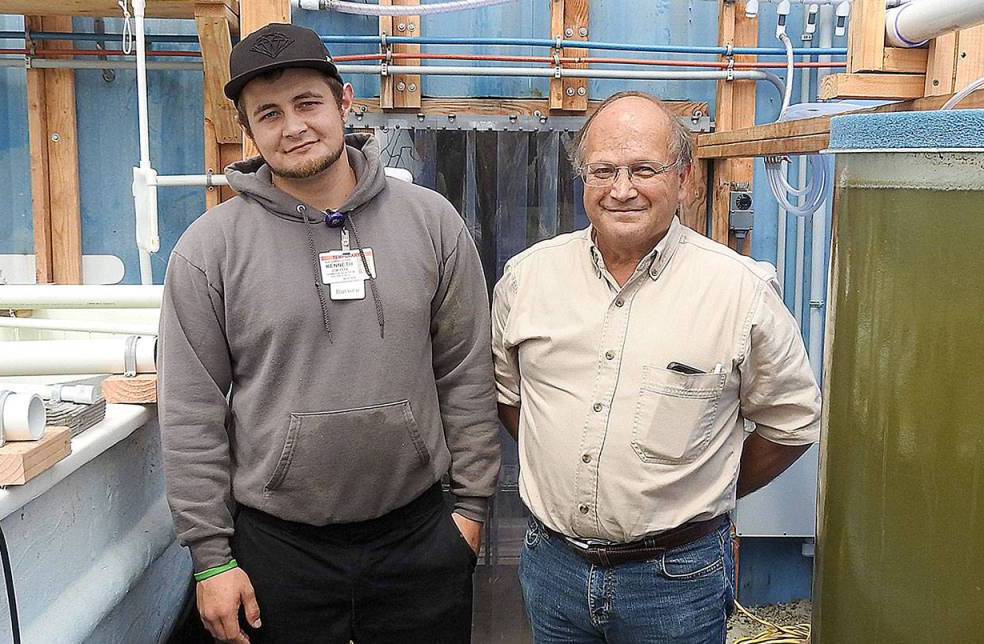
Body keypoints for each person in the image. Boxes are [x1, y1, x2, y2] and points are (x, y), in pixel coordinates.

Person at [158, 23, 500, 644]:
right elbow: (189, 413)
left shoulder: (431, 224)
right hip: (276, 547)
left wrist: (471, 510)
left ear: (344, 103)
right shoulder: (209, 250)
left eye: (308, 103)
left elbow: (465, 372)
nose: (292, 127)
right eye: (269, 114)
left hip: (419, 539)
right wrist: (211, 556)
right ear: (250, 130)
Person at [491, 91, 822, 643]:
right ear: (584, 179)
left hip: (676, 580)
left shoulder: (739, 291)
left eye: (643, 169)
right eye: (604, 170)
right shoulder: (528, 279)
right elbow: (509, 399)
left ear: (685, 178)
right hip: (553, 569)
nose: (622, 189)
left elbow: (791, 424)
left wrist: (702, 488)